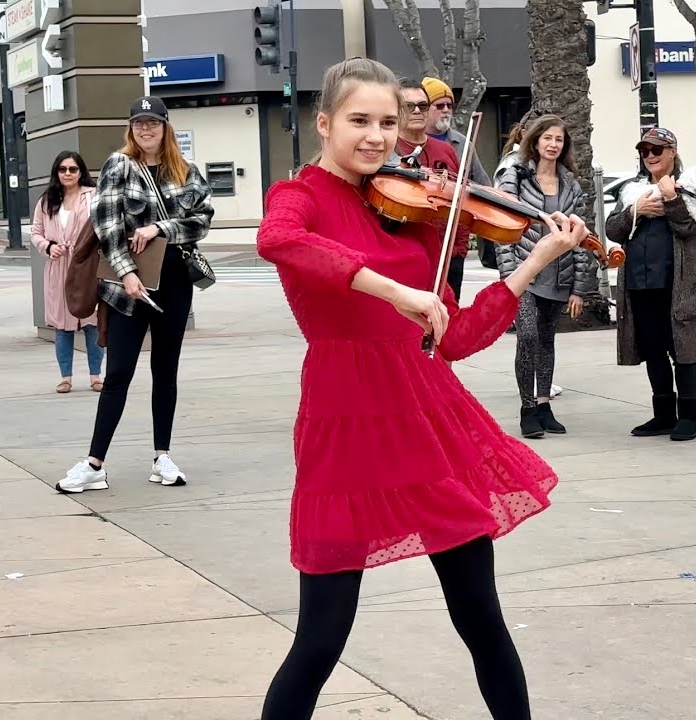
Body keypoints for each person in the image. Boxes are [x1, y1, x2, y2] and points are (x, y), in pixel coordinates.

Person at [255, 57, 589, 720]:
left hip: (431, 424)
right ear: (324, 123)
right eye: (359, 120)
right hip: (345, 422)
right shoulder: (301, 196)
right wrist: (392, 288)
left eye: (387, 120)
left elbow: (456, 337)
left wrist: (536, 261)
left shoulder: (412, 211)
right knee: (320, 640)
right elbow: (278, 241)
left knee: (481, 620)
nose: (377, 135)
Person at [55, 96, 214, 493]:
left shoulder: (187, 170)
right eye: (139, 124)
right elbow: (107, 225)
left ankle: (163, 455)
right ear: (131, 128)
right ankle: (94, 463)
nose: (146, 130)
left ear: (165, 127)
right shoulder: (119, 166)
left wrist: (159, 228)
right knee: (119, 373)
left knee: (166, 369)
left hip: (175, 281)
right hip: (127, 285)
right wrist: (126, 273)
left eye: (153, 123)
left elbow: (203, 219)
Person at [605, 127, 696, 442]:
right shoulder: (631, 191)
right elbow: (613, 229)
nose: (650, 156)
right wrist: (636, 210)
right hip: (639, 282)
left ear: (672, 152)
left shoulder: (688, 189)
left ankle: (688, 416)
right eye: (645, 151)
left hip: (675, 284)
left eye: (657, 150)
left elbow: (691, 228)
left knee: (682, 350)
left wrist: (670, 199)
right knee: (652, 348)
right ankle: (663, 413)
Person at [496, 114, 598, 439]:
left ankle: (544, 406)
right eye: (547, 138)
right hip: (525, 273)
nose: (553, 145)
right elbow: (502, 227)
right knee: (526, 337)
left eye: (559, 140)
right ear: (535, 141)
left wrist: (580, 288)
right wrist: (510, 277)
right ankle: (527, 408)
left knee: (546, 340)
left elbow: (582, 238)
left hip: (559, 275)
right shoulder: (517, 177)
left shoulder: (572, 184)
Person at [30, 150, 103, 394]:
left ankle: (96, 376)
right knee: (62, 325)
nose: (68, 174)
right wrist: (49, 247)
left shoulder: (93, 197)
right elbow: (36, 233)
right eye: (63, 169)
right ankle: (66, 377)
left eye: (73, 169)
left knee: (92, 321)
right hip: (58, 266)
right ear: (56, 173)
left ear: (81, 171)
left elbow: (103, 227)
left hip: (87, 266)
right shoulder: (47, 200)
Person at [393, 78, 469, 301]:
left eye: (423, 106)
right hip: (406, 255)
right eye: (409, 106)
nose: (417, 111)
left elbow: (462, 199)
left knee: (448, 326)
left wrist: (459, 250)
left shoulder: (446, 150)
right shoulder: (387, 149)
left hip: (448, 256)